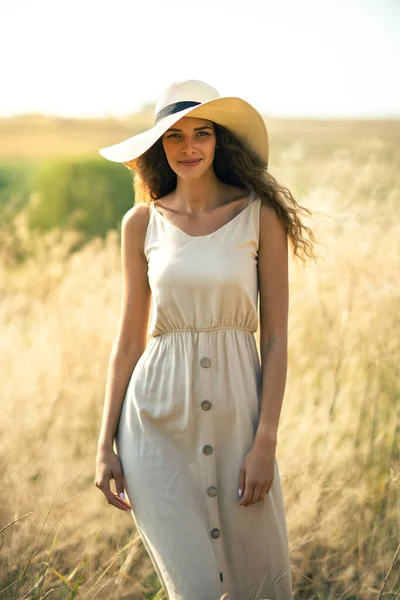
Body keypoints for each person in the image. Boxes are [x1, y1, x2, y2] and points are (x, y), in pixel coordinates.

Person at [95, 79, 316, 600]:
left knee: (261, 585)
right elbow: (129, 340)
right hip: (154, 426)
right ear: (159, 147)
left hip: (241, 425)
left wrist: (265, 442)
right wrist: (104, 443)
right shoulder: (141, 223)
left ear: (219, 142)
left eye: (201, 134)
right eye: (174, 137)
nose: (188, 148)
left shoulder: (259, 216)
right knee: (191, 589)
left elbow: (278, 336)